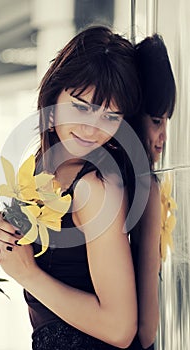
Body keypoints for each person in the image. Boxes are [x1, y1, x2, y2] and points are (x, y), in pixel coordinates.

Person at [0, 25, 144, 350]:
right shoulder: (44, 165)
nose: (91, 128)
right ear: (54, 93)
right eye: (81, 107)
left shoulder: (93, 189)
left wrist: (27, 273)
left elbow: (120, 328)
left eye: (110, 117)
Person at [129, 34, 176, 350]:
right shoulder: (145, 188)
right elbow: (147, 332)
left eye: (167, 123)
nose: (163, 138)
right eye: (156, 120)